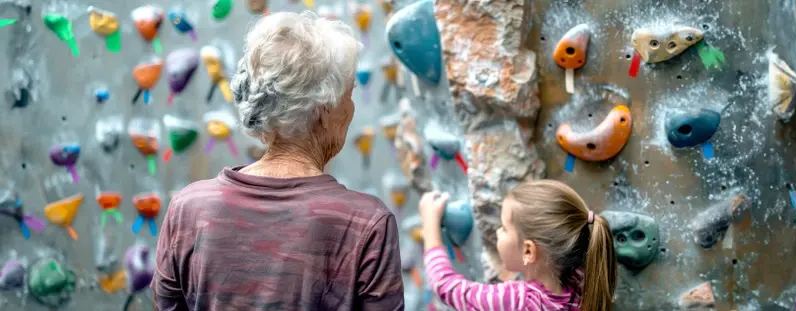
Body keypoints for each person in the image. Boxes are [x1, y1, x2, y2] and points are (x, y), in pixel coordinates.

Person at [151, 11, 404, 311]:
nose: (351, 109)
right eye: (349, 95)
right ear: (324, 109)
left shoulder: (188, 208)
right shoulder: (367, 224)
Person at [419, 180, 617, 311]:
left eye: (504, 228)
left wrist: (430, 225)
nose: (497, 232)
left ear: (529, 251)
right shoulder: (582, 287)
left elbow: (447, 288)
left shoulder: (515, 301)